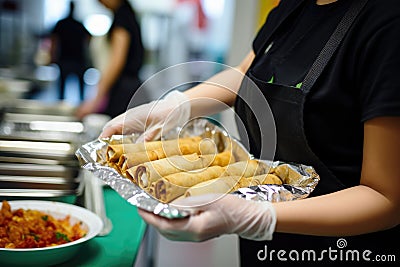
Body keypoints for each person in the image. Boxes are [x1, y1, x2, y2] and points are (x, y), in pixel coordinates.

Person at [100, 0, 399, 266]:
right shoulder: (293, 7)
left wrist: (259, 217)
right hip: (268, 246)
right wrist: (177, 105)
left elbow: (386, 198)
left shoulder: (388, 24)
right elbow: (247, 72)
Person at [76, 0, 144, 119]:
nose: (99, 2)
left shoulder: (122, 17)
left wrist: (96, 99)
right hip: (128, 87)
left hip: (124, 90)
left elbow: (117, 61)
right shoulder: (126, 14)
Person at [50, 1, 92, 101]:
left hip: (66, 58)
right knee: (80, 87)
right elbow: (89, 37)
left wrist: (52, 55)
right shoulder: (79, 24)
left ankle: (62, 103)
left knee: (62, 86)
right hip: (77, 58)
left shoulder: (61, 24)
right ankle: (81, 103)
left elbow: (54, 41)